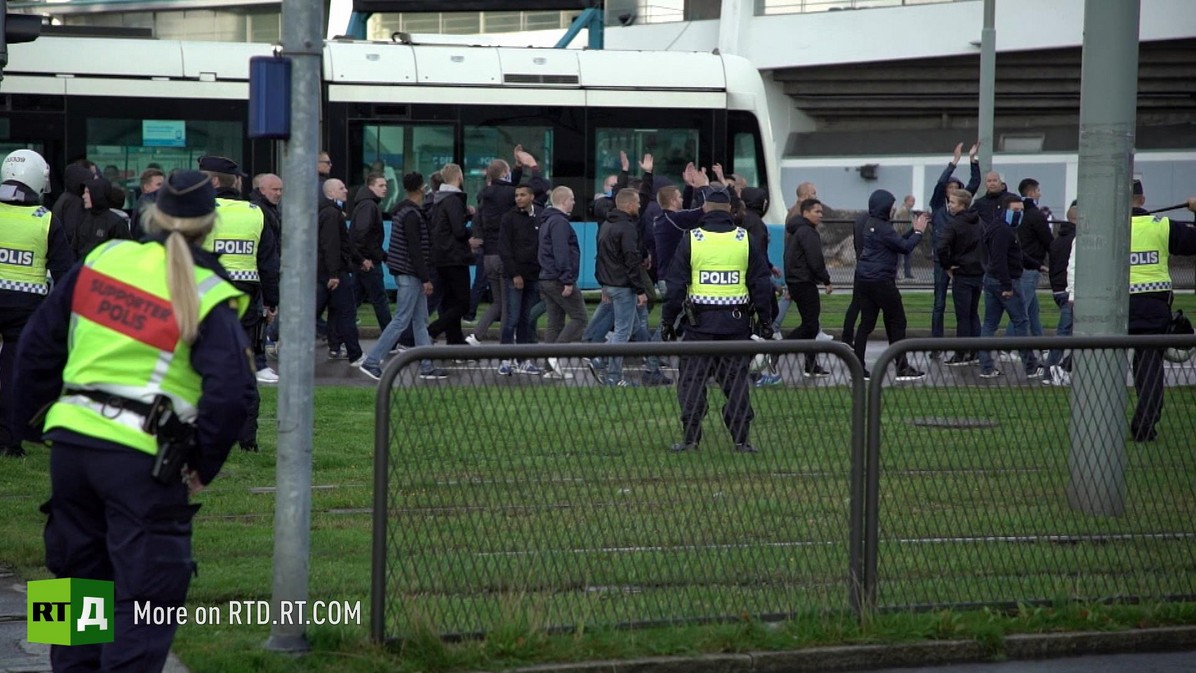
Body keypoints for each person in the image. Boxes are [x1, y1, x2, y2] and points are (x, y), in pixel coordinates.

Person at [11, 169, 255, 669]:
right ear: (209, 226)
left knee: (75, 588)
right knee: (143, 600)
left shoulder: (102, 259)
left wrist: (36, 425)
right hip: (143, 463)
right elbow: (231, 394)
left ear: (153, 213)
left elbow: (34, 348)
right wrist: (201, 465)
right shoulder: (208, 291)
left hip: (73, 453)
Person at [660, 183, 773, 454]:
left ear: (706, 208)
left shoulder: (692, 238)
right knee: (736, 384)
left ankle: (690, 439)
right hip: (735, 326)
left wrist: (667, 321)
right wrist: (766, 321)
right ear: (730, 210)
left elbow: (676, 286)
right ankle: (741, 440)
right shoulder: (744, 238)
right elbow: (761, 284)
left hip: (699, 327)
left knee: (691, 383)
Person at [198, 155, 280, 450]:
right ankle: (248, 439)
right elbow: (269, 263)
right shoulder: (255, 212)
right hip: (247, 303)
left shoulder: (200, 210)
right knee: (245, 372)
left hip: (205, 302)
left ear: (214, 181)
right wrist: (272, 304)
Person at [0, 150, 74, 457]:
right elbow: (64, 273)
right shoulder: (46, 221)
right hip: (24, 308)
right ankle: (9, 441)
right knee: (12, 374)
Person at [1123, 180, 1196, 441]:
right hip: (1152, 308)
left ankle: (1097, 427)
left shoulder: (1109, 226)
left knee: (1101, 363)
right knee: (1149, 369)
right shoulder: (1162, 226)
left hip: (1114, 308)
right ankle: (1144, 427)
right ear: (1142, 200)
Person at [359, 172, 447, 381]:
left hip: (408, 273)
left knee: (420, 321)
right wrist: (426, 278)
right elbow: (415, 250)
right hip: (411, 274)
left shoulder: (405, 211)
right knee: (401, 320)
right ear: (420, 188)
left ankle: (426, 365)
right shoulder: (411, 215)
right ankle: (372, 361)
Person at [851, 190, 929, 381]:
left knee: (866, 324)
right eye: (891, 205)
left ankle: (857, 367)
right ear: (884, 207)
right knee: (898, 321)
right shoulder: (884, 227)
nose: (893, 208)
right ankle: (902, 367)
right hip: (882, 281)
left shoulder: (871, 223)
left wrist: (912, 231)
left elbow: (896, 242)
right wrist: (919, 231)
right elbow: (905, 247)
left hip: (865, 280)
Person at [977, 194, 1040, 379]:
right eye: (1015, 210)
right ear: (1004, 210)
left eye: (1021, 210)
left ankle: (986, 367)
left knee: (989, 324)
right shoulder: (1003, 231)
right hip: (1006, 281)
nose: (1019, 214)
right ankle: (1030, 366)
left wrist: (1037, 265)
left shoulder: (1000, 228)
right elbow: (1000, 260)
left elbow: (1016, 255)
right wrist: (1006, 285)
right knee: (1021, 322)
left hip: (993, 280)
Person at [928, 142, 981, 347]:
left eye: (955, 188)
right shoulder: (939, 206)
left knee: (967, 308)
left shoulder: (961, 208)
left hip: (960, 263)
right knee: (939, 303)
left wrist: (973, 159)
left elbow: (975, 183)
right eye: (949, 188)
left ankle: (967, 346)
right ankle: (936, 344)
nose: (952, 191)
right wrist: (954, 162)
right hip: (942, 262)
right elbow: (940, 184)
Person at [538, 186, 589, 375]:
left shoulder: (546, 221)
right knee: (580, 317)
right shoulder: (559, 222)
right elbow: (561, 252)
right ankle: (555, 356)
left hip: (547, 277)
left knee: (554, 322)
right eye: (572, 199)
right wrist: (568, 280)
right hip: (559, 279)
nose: (574, 203)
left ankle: (550, 368)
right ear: (564, 201)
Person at [784, 198, 833, 377]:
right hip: (804, 283)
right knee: (811, 324)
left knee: (811, 325)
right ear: (805, 213)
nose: (820, 215)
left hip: (796, 282)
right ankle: (777, 349)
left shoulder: (796, 231)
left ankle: (811, 365)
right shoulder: (808, 232)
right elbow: (815, 259)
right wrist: (825, 280)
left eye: (821, 212)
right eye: (816, 211)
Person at [316, 179, 363, 366]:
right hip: (334, 273)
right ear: (331, 193)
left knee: (333, 312)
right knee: (347, 313)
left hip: (328, 271)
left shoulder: (329, 212)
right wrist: (334, 273)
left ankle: (336, 347)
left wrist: (359, 260)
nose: (346, 191)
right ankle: (356, 355)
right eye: (341, 188)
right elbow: (332, 244)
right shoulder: (331, 214)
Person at [426, 163, 474, 346]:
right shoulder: (453, 199)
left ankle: (455, 343)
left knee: (450, 302)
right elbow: (459, 231)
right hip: (454, 257)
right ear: (459, 177)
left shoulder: (439, 199)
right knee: (463, 303)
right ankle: (432, 331)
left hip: (442, 257)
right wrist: (471, 230)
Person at [936, 188, 984, 366]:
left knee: (963, 315)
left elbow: (941, 246)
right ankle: (975, 351)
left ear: (962, 204)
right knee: (973, 313)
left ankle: (961, 353)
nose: (949, 205)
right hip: (978, 271)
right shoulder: (979, 221)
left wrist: (947, 265)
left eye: (953, 202)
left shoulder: (954, 224)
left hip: (962, 272)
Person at [350, 173, 393, 331]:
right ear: (370, 186)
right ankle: (391, 339)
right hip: (368, 262)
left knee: (353, 301)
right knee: (380, 301)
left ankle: (336, 335)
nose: (385, 189)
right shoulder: (369, 206)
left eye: (386, 186)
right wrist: (364, 259)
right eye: (380, 186)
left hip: (364, 260)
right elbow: (363, 234)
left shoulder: (365, 204)